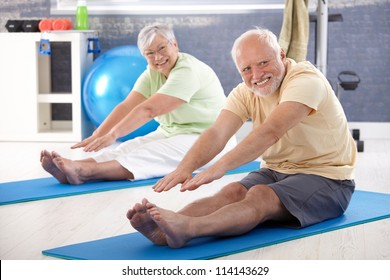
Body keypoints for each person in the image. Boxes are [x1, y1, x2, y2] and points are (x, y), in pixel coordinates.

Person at [126, 27, 357, 249]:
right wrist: (185, 168)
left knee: (260, 194)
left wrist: (219, 167)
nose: (256, 75)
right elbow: (217, 132)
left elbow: (271, 131)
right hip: (276, 171)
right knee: (232, 192)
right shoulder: (244, 92)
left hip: (328, 179)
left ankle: (189, 228)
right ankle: (164, 229)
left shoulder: (305, 80)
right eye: (246, 69)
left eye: (264, 63)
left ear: (282, 55)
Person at [40, 23, 235, 185]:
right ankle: (73, 168)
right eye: (150, 53)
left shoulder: (187, 71)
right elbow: (127, 106)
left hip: (213, 139)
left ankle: (85, 172)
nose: (157, 57)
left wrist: (114, 134)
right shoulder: (153, 73)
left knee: (152, 153)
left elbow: (149, 110)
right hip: (174, 132)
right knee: (130, 146)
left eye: (162, 48)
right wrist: (98, 135)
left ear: (174, 44)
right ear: (144, 55)